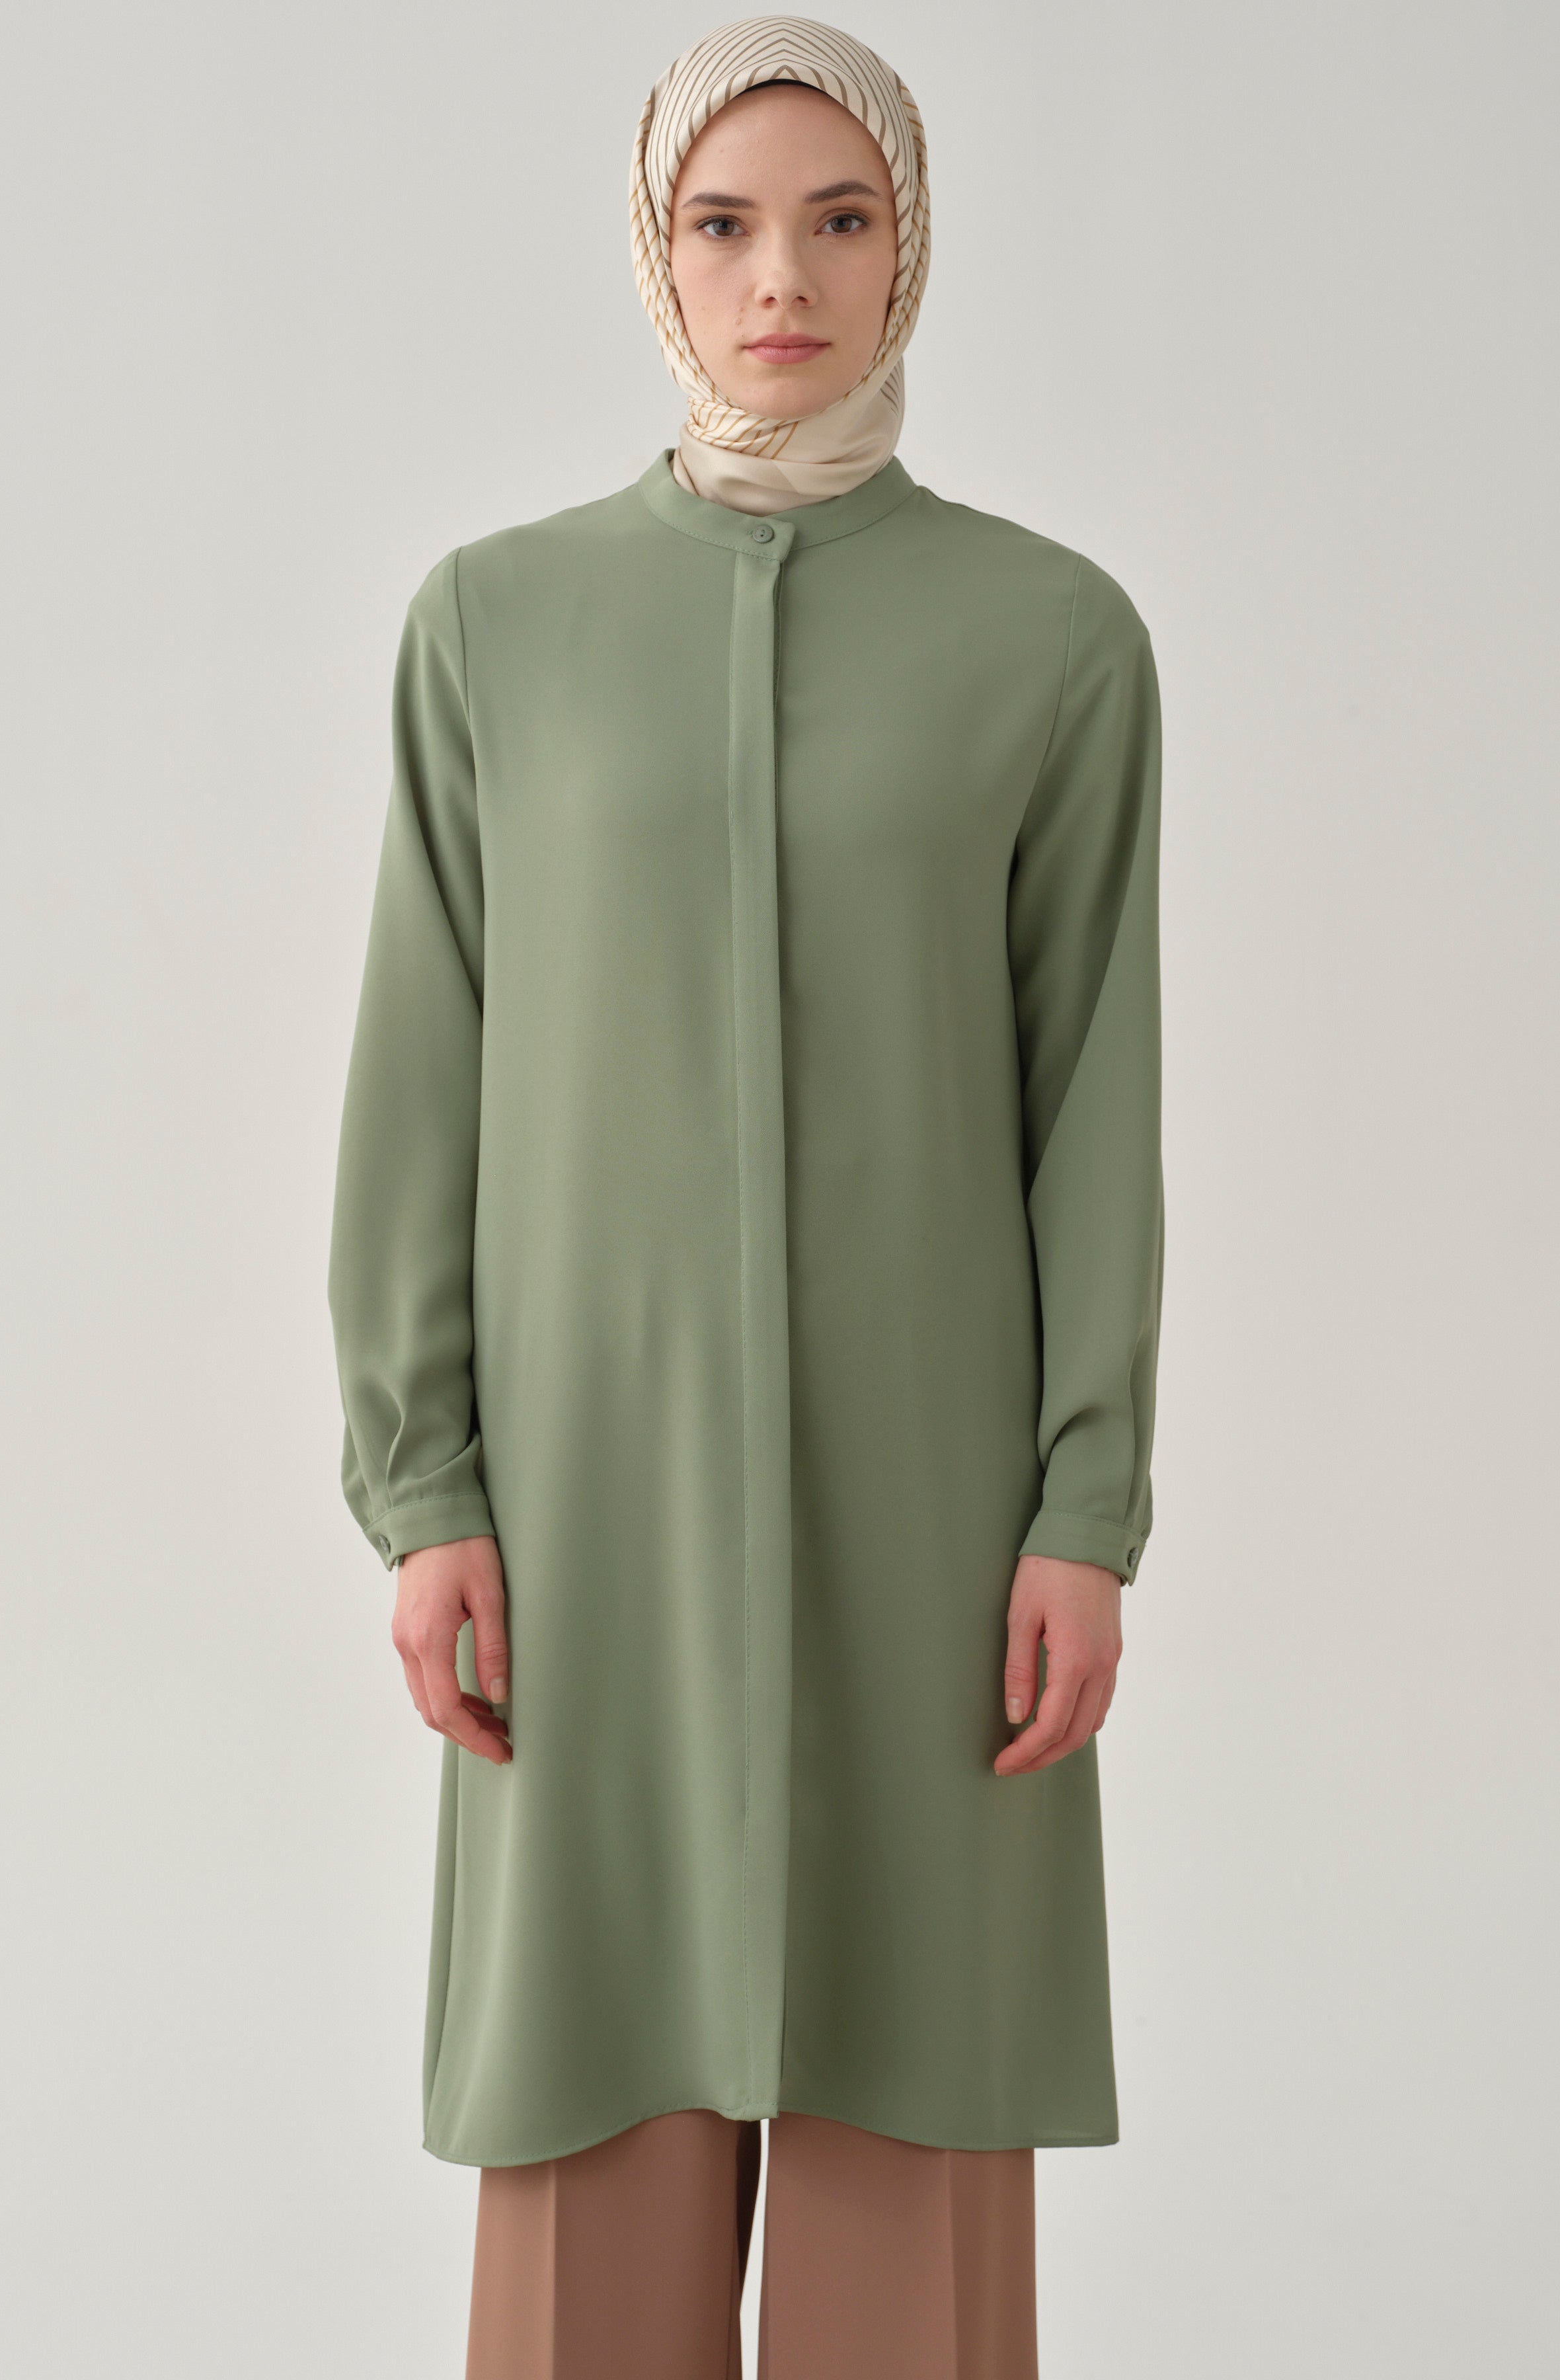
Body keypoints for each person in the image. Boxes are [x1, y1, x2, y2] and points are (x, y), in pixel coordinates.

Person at [327, 17, 1164, 2377]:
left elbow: (1096, 1104)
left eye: (838, 218)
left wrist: (1084, 1509)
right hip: (584, 1521)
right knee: (585, 2190)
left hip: (938, 1530)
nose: (779, 277)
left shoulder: (1054, 640)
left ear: (911, 248)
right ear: (656, 251)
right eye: (724, 223)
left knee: (917, 2183)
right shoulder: (491, 626)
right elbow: (421, 1076)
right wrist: (423, 1488)